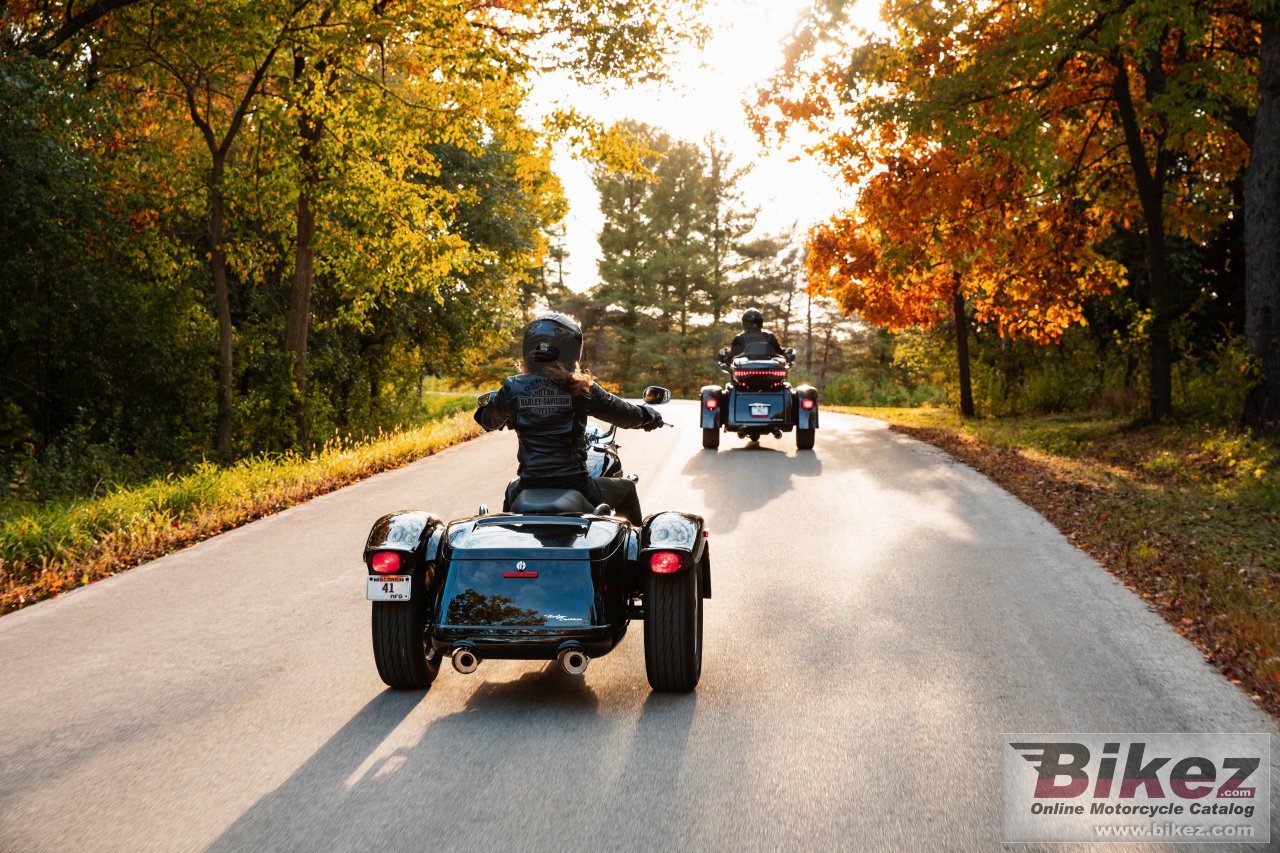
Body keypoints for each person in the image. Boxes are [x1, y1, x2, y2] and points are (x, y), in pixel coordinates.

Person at [474, 312, 663, 524]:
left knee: (511, 489)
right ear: (572, 351)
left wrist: (486, 413)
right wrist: (649, 416)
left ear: (528, 350)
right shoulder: (580, 388)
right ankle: (632, 554)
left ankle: (515, 545)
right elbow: (625, 414)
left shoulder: (513, 387)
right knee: (627, 488)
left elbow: (488, 420)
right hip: (576, 485)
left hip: (530, 484)